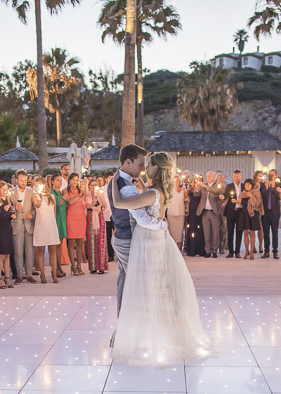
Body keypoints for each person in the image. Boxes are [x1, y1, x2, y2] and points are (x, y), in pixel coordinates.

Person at [109, 151, 212, 365]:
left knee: (146, 288)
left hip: (149, 240)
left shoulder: (151, 194)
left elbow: (119, 203)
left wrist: (113, 184)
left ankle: (147, 338)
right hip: (158, 239)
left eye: (148, 165)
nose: (145, 168)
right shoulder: (159, 191)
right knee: (158, 286)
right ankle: (159, 334)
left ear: (156, 168)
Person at [107, 144, 168, 331]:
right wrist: (163, 224)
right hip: (127, 239)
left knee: (125, 285)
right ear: (128, 162)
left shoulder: (120, 183)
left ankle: (124, 329)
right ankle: (134, 330)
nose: (143, 168)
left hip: (121, 236)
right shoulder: (126, 189)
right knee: (138, 284)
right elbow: (142, 219)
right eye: (140, 164)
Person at [32, 176, 61, 284]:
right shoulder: (35, 197)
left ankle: (54, 274)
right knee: (40, 251)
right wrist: (39, 202)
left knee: (53, 250)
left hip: (51, 225)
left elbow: (53, 212)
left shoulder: (52, 197)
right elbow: (36, 204)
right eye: (36, 185)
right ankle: (42, 274)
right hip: (40, 225)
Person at [9, 170, 36, 284]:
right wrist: (14, 209)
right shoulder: (10, 192)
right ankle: (19, 275)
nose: (23, 182)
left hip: (29, 224)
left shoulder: (31, 192)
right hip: (17, 224)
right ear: (16, 180)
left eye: (25, 180)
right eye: (21, 180)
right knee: (18, 251)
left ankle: (29, 274)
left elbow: (36, 208)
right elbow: (7, 207)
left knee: (30, 251)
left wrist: (32, 214)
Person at [190, 171, 223, 259]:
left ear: (214, 177)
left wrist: (204, 186)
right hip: (204, 212)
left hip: (214, 212)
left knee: (215, 232)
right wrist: (197, 189)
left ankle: (214, 251)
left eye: (209, 176)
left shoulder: (217, 185)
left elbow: (215, 191)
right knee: (206, 233)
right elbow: (197, 194)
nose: (208, 177)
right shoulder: (203, 185)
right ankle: (207, 251)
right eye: (207, 176)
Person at [0, 182, 16, 289]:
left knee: (7, 255)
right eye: (3, 189)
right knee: (0, 255)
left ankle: (7, 277)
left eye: (6, 189)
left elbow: (8, 216)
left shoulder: (8, 201)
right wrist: (5, 209)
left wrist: (12, 215)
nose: (5, 191)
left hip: (7, 229)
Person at [64, 173, 88, 275]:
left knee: (80, 242)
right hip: (71, 217)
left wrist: (86, 185)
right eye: (73, 180)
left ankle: (79, 265)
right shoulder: (66, 190)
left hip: (81, 217)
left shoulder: (80, 190)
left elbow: (86, 195)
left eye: (77, 180)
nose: (75, 182)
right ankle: (73, 266)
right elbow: (70, 202)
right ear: (69, 180)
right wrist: (79, 196)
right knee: (71, 242)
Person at [85, 177, 109, 273]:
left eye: (95, 185)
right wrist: (92, 204)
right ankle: (93, 267)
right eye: (92, 185)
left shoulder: (100, 194)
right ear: (89, 187)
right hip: (91, 217)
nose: (94, 187)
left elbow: (105, 205)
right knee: (92, 241)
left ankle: (101, 266)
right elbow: (86, 205)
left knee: (101, 240)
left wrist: (101, 197)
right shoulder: (87, 195)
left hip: (99, 217)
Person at [48, 173, 68, 278]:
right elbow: (56, 207)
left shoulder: (60, 193)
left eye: (61, 181)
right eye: (57, 181)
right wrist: (63, 199)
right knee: (54, 247)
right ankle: (54, 269)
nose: (60, 183)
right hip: (55, 220)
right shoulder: (51, 193)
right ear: (52, 182)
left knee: (60, 245)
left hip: (62, 220)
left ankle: (59, 266)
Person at [222, 170, 245, 258]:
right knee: (230, 231)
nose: (236, 178)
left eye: (238, 176)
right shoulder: (229, 186)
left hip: (240, 212)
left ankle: (237, 251)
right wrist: (222, 197)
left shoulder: (243, 187)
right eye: (235, 176)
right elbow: (224, 195)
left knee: (239, 231)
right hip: (231, 212)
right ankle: (231, 251)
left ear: (241, 176)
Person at [260, 170, 281, 259]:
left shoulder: (278, 184)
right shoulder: (263, 184)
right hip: (265, 211)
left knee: (275, 232)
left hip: (275, 212)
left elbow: (278, 196)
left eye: (273, 175)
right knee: (266, 232)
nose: (271, 176)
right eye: (270, 175)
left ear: (276, 176)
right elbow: (261, 196)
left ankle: (275, 251)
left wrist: (274, 187)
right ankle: (266, 251)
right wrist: (266, 188)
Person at [240, 178, 262, 260]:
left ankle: (252, 251)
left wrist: (251, 196)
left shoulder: (256, 192)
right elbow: (240, 201)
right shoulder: (243, 193)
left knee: (252, 233)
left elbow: (258, 203)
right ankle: (246, 251)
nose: (247, 186)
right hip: (244, 214)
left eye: (248, 185)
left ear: (252, 185)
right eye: (246, 185)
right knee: (245, 233)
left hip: (253, 214)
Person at [166, 174, 186, 252]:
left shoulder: (182, 189)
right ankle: (172, 249)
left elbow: (186, 198)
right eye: (174, 180)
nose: (176, 182)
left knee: (180, 232)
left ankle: (179, 248)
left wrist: (184, 191)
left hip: (180, 213)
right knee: (172, 231)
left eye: (177, 180)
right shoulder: (169, 190)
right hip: (171, 213)